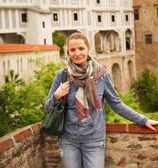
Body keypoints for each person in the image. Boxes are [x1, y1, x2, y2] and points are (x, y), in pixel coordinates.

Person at [44, 32, 158, 168]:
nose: (77, 53)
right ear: (68, 52)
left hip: (94, 141)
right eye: (72, 50)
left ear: (88, 49)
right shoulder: (62, 75)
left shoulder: (102, 75)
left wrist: (142, 120)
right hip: (68, 140)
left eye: (81, 48)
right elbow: (47, 108)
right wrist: (57, 95)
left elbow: (116, 104)